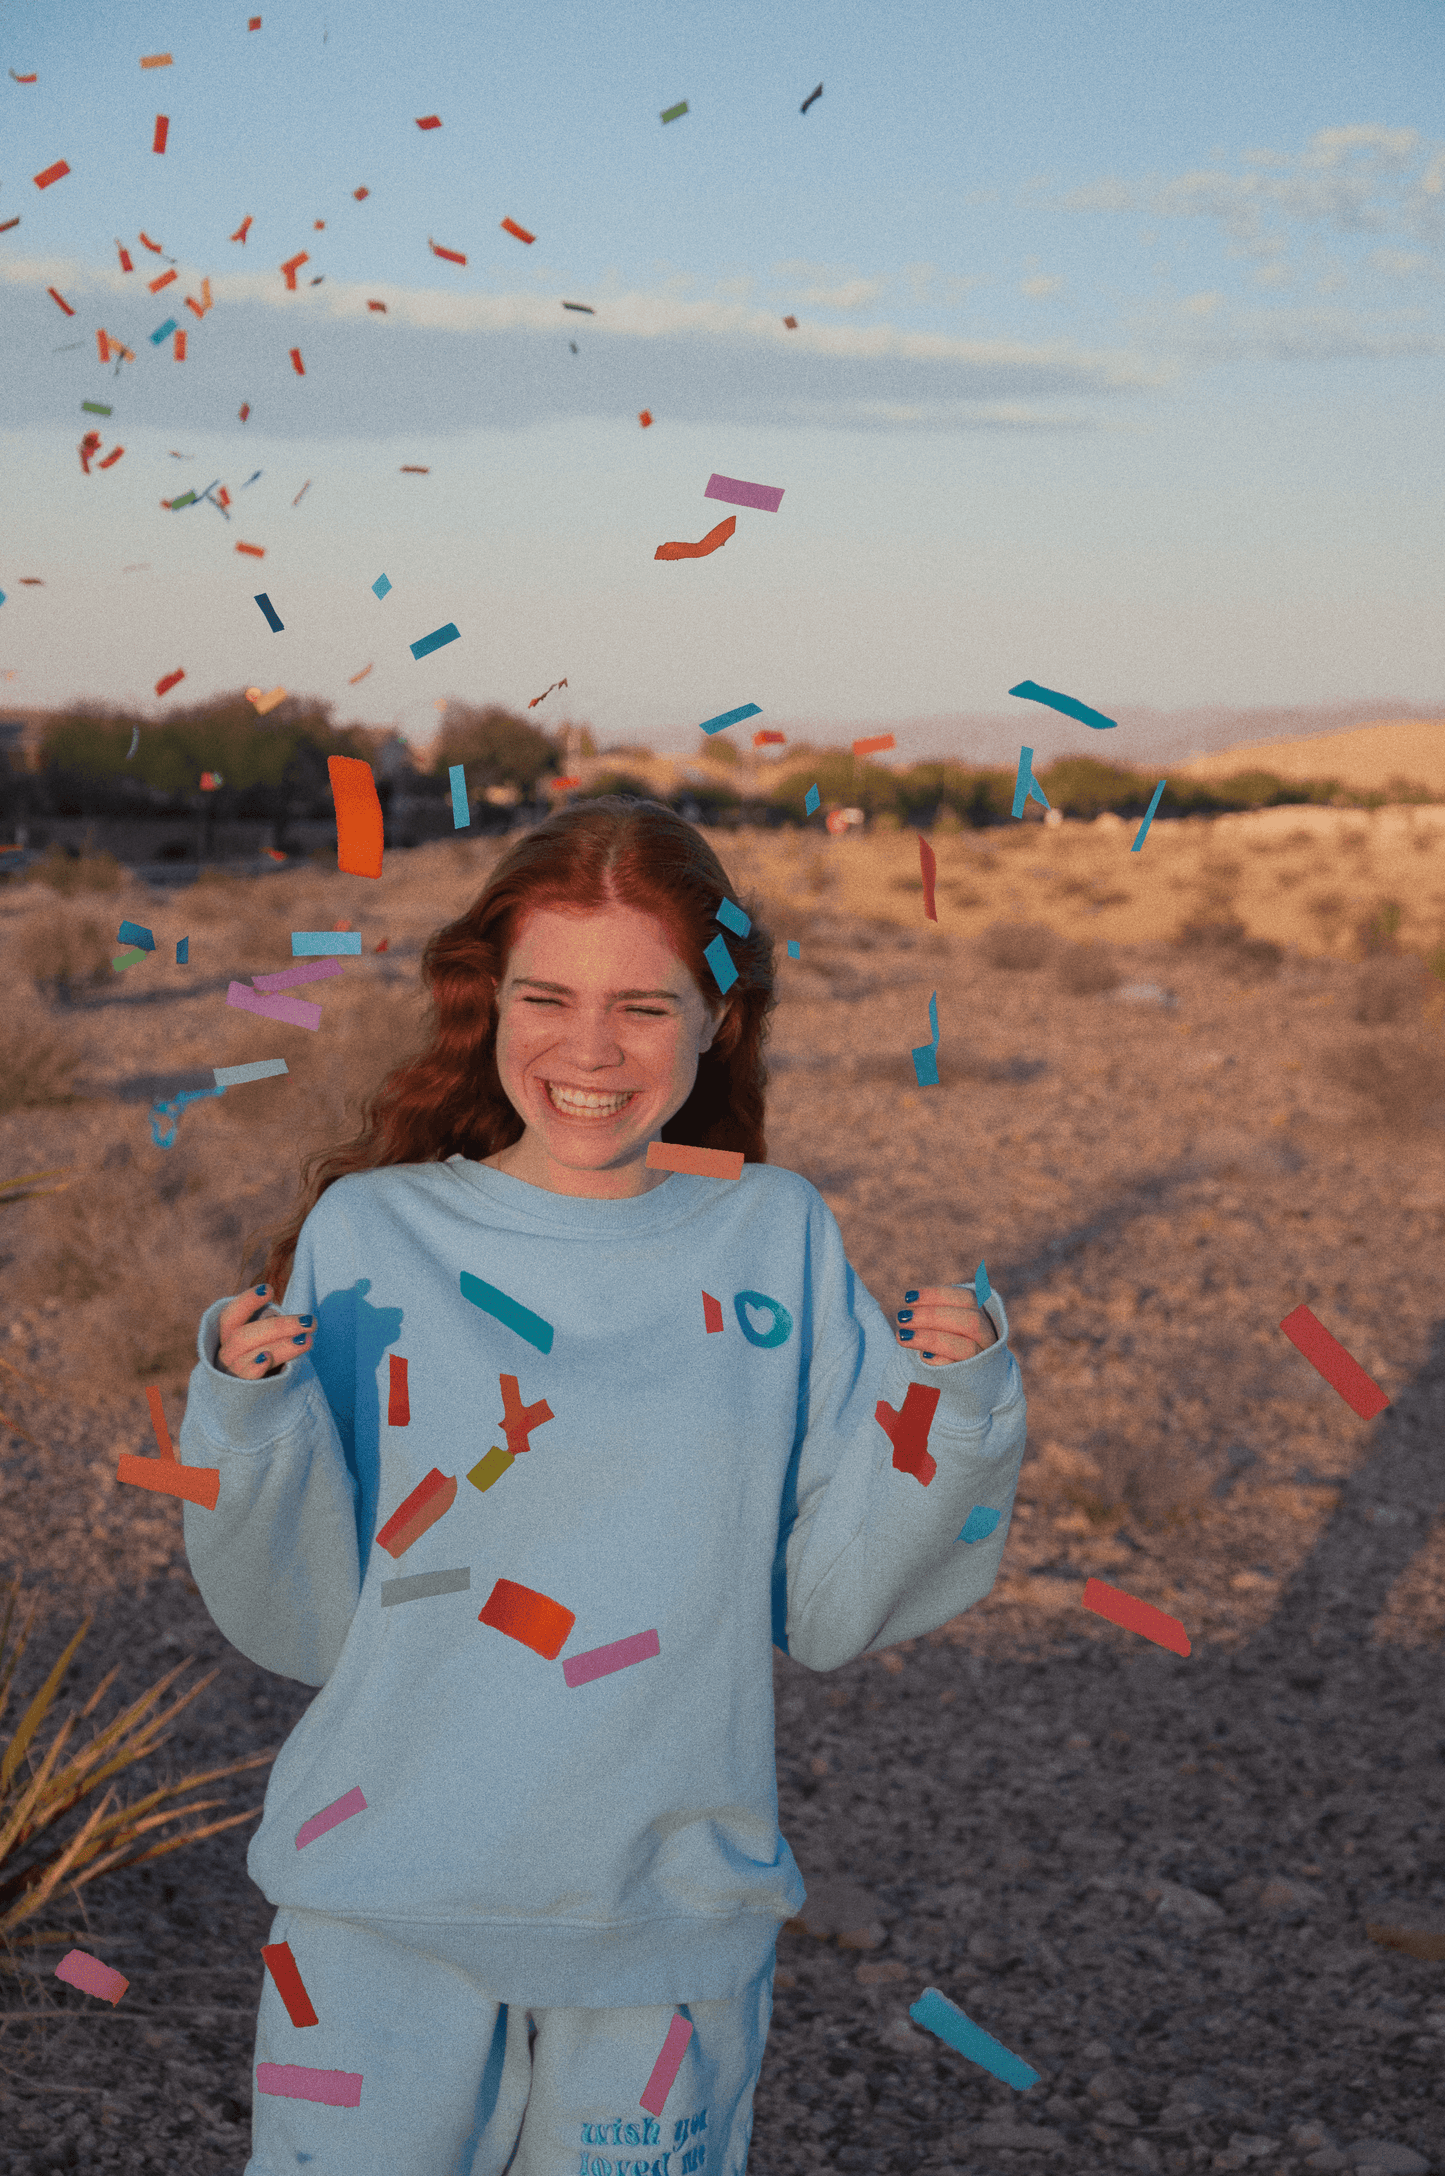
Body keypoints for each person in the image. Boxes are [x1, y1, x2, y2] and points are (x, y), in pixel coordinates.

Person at [177, 796, 1027, 2176]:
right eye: (546, 996)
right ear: (486, 1000)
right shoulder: (374, 1235)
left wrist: (968, 1410)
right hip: (375, 1919)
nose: (588, 1049)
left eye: (643, 1004)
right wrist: (249, 1417)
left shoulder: (776, 1236)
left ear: (716, 1018)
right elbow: (300, 1618)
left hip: (667, 1935)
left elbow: (829, 1605)